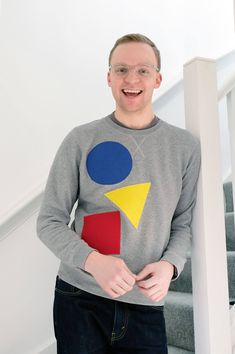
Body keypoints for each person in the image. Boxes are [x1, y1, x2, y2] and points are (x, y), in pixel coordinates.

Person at [37, 33, 201, 354]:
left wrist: (170, 266)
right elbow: (50, 221)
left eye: (143, 70)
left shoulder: (184, 147)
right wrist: (93, 262)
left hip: (145, 304)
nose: (131, 78)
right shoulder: (80, 139)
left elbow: (182, 224)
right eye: (121, 69)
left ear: (157, 79)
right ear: (108, 77)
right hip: (79, 297)